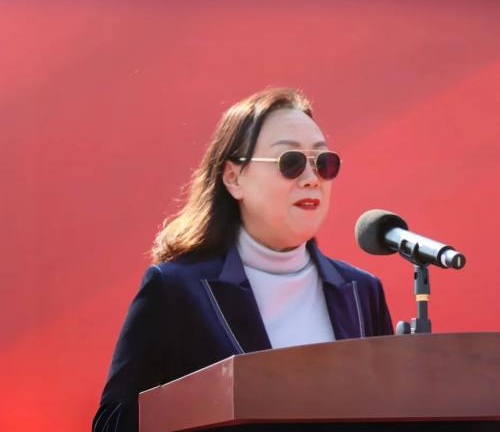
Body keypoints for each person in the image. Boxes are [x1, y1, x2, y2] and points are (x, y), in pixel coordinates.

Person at [92, 87, 394, 432]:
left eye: (323, 163)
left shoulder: (362, 292)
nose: (312, 179)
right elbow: (113, 423)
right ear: (234, 178)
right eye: (291, 162)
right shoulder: (176, 289)